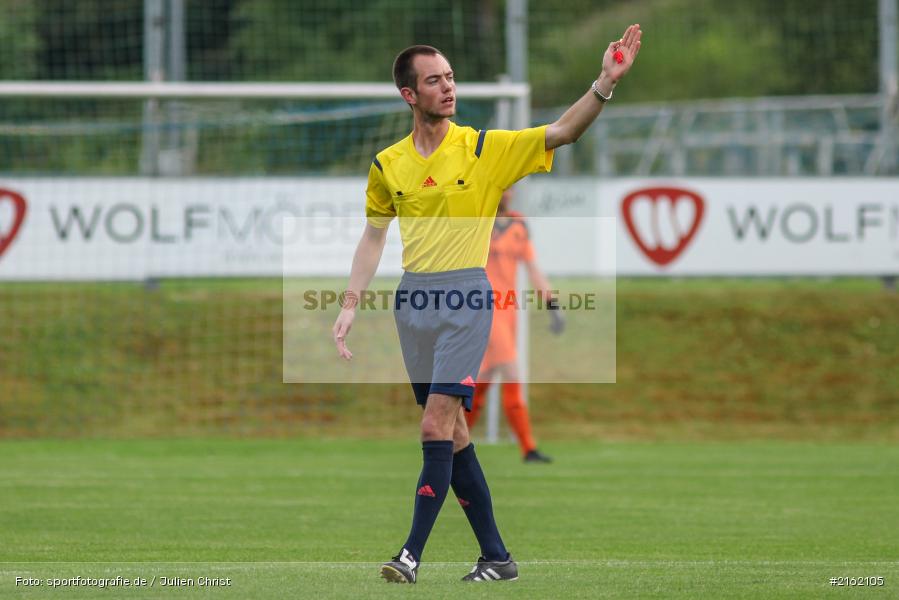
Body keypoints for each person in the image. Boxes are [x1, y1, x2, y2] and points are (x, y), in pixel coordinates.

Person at [331, 24, 642, 584]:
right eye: (434, 81)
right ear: (409, 94)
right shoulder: (386, 165)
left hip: (466, 298)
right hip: (413, 303)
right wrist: (350, 304)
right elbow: (373, 238)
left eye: (450, 77)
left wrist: (604, 83)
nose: (448, 87)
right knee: (452, 434)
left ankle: (409, 556)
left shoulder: (483, 147)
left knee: (434, 424)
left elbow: (564, 131)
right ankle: (496, 557)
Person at [467, 186, 563, 463]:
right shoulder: (476, 222)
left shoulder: (519, 225)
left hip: (509, 313)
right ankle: (528, 448)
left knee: (484, 379)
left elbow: (533, 269)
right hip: (482, 309)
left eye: (508, 189)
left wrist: (553, 305)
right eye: (500, 188)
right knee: (511, 371)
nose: (505, 194)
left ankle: (453, 443)